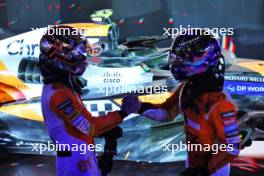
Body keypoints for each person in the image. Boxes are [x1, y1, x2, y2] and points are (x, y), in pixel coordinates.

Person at [125, 30, 241, 176]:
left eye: (184, 58)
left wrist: (204, 171)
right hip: (192, 163)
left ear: (204, 59)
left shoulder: (219, 103)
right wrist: (139, 107)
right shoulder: (187, 88)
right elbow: (166, 113)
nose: (177, 63)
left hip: (213, 169)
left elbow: (232, 147)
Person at [39, 25, 140, 176]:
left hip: (80, 163)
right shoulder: (58, 94)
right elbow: (90, 127)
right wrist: (123, 112)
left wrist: (103, 153)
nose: (82, 57)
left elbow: (80, 131)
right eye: (77, 53)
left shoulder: (63, 87)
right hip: (75, 167)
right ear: (61, 55)